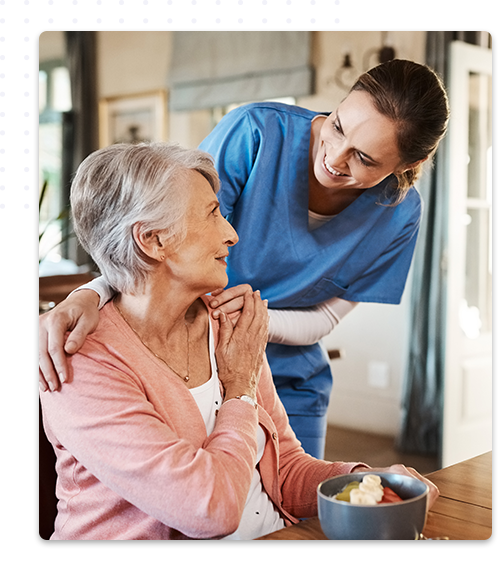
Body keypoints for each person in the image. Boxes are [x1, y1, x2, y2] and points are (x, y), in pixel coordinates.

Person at [39, 60, 450, 459]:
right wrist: (90, 295)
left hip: (290, 378)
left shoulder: (399, 215)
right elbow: (158, 234)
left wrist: (256, 323)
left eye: (364, 158)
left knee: (296, 516)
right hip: (192, 360)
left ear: (407, 166)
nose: (335, 157)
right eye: (338, 125)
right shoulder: (256, 132)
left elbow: (326, 318)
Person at [39, 142, 439, 540]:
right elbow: (210, 510)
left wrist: (364, 482)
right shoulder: (79, 360)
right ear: (154, 241)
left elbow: (283, 469)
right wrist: (240, 390)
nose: (231, 234)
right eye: (213, 214)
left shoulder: (228, 326)